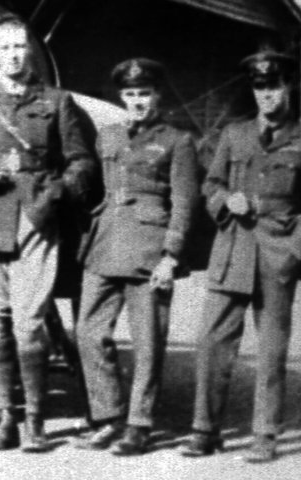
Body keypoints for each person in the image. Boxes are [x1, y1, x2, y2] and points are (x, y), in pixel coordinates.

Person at [181, 48, 301, 463]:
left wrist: (296, 245)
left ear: (290, 87)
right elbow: (209, 185)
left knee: (270, 350)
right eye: (259, 87)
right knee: (212, 342)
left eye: (275, 86)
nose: (267, 95)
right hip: (232, 251)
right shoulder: (234, 135)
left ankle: (265, 435)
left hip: (276, 256)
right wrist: (223, 201)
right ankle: (205, 429)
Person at [0, 16, 96, 452]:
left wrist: (54, 194)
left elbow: (83, 162)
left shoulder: (57, 102)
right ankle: (5, 420)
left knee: (29, 325)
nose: (13, 55)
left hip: (34, 220)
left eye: (19, 47)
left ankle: (35, 421)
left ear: (28, 52)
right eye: (5, 48)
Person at [74, 58, 199, 454]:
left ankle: (139, 424)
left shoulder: (178, 142)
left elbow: (183, 203)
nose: (137, 101)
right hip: (105, 244)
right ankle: (108, 416)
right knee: (88, 332)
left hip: (149, 248)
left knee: (148, 343)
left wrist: (171, 256)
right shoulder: (107, 136)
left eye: (144, 93)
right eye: (130, 94)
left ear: (157, 95)